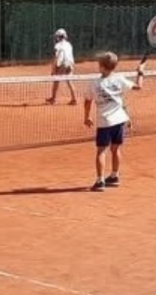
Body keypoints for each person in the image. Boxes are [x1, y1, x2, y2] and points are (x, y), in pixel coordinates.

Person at [83, 52, 145, 191]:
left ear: (102, 67)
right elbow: (138, 87)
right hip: (119, 121)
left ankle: (100, 181)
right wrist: (140, 72)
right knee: (115, 149)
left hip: (104, 122)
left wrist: (86, 117)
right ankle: (114, 176)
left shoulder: (94, 83)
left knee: (101, 151)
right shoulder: (120, 79)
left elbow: (87, 101)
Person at [46, 28, 77, 105]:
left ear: (58, 37)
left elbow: (56, 58)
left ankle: (53, 99)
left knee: (56, 81)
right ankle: (74, 99)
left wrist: (53, 70)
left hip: (63, 64)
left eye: (56, 36)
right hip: (70, 64)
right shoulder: (69, 45)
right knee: (69, 81)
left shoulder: (57, 45)